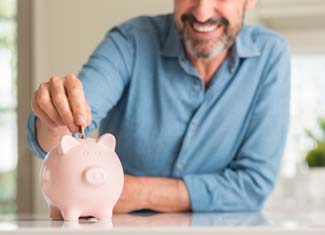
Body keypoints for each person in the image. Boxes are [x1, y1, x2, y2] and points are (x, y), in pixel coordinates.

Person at [27, 0, 290, 213]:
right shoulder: (130, 41)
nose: (202, 12)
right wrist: (54, 117)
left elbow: (253, 185)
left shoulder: (269, 55)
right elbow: (65, 133)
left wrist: (137, 192)